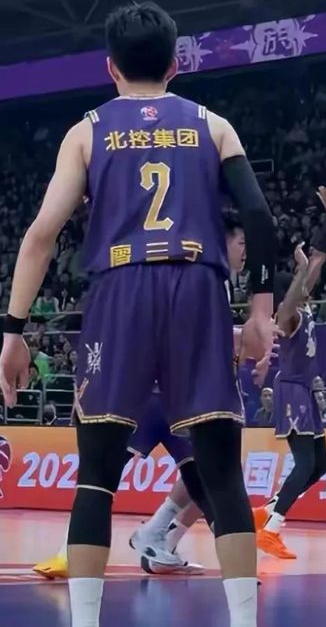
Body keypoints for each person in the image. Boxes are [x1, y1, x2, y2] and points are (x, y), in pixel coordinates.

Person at [0, 4, 277, 627]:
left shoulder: (87, 131)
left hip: (120, 290)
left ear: (110, 68)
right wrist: (260, 309)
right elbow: (259, 218)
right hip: (197, 286)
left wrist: (13, 332)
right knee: (222, 474)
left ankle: (85, 622)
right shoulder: (213, 125)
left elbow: (41, 235)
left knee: (97, 475)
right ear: (176, 65)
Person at [33, 213, 250, 579]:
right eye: (242, 243)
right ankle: (70, 552)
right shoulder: (198, 274)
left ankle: (164, 542)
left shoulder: (217, 281)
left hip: (178, 399)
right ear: (222, 240)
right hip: (153, 396)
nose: (246, 252)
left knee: (203, 477)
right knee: (105, 475)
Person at [252, 186, 326, 559]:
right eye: (301, 284)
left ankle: (269, 510)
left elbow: (319, 258)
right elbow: (301, 281)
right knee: (304, 462)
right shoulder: (286, 315)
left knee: (321, 464)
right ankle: (271, 529)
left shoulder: (303, 306)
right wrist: (301, 270)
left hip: (304, 389)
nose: (308, 285)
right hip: (291, 390)